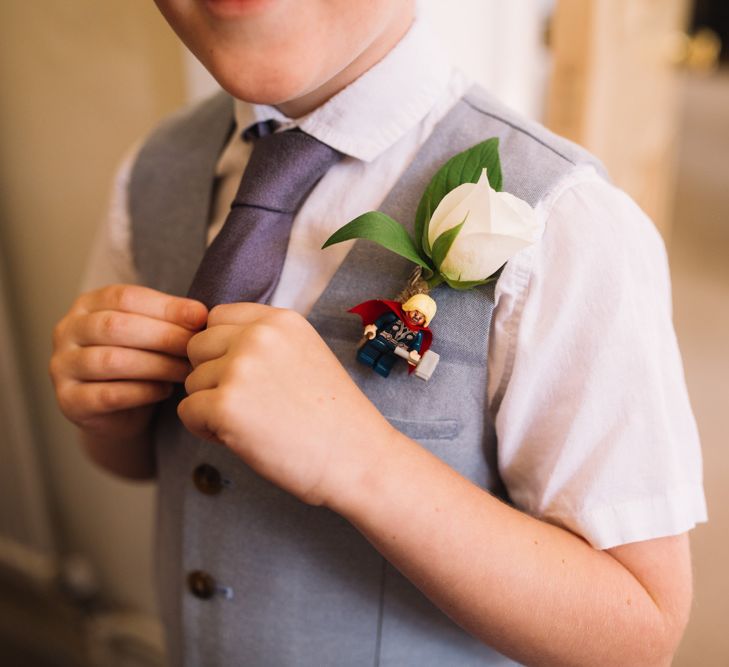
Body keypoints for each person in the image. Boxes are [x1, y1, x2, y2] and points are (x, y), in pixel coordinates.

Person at [49, 1, 706, 665]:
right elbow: (140, 465)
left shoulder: (567, 226)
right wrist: (108, 410)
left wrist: (360, 461)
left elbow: (637, 632)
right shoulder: (152, 170)